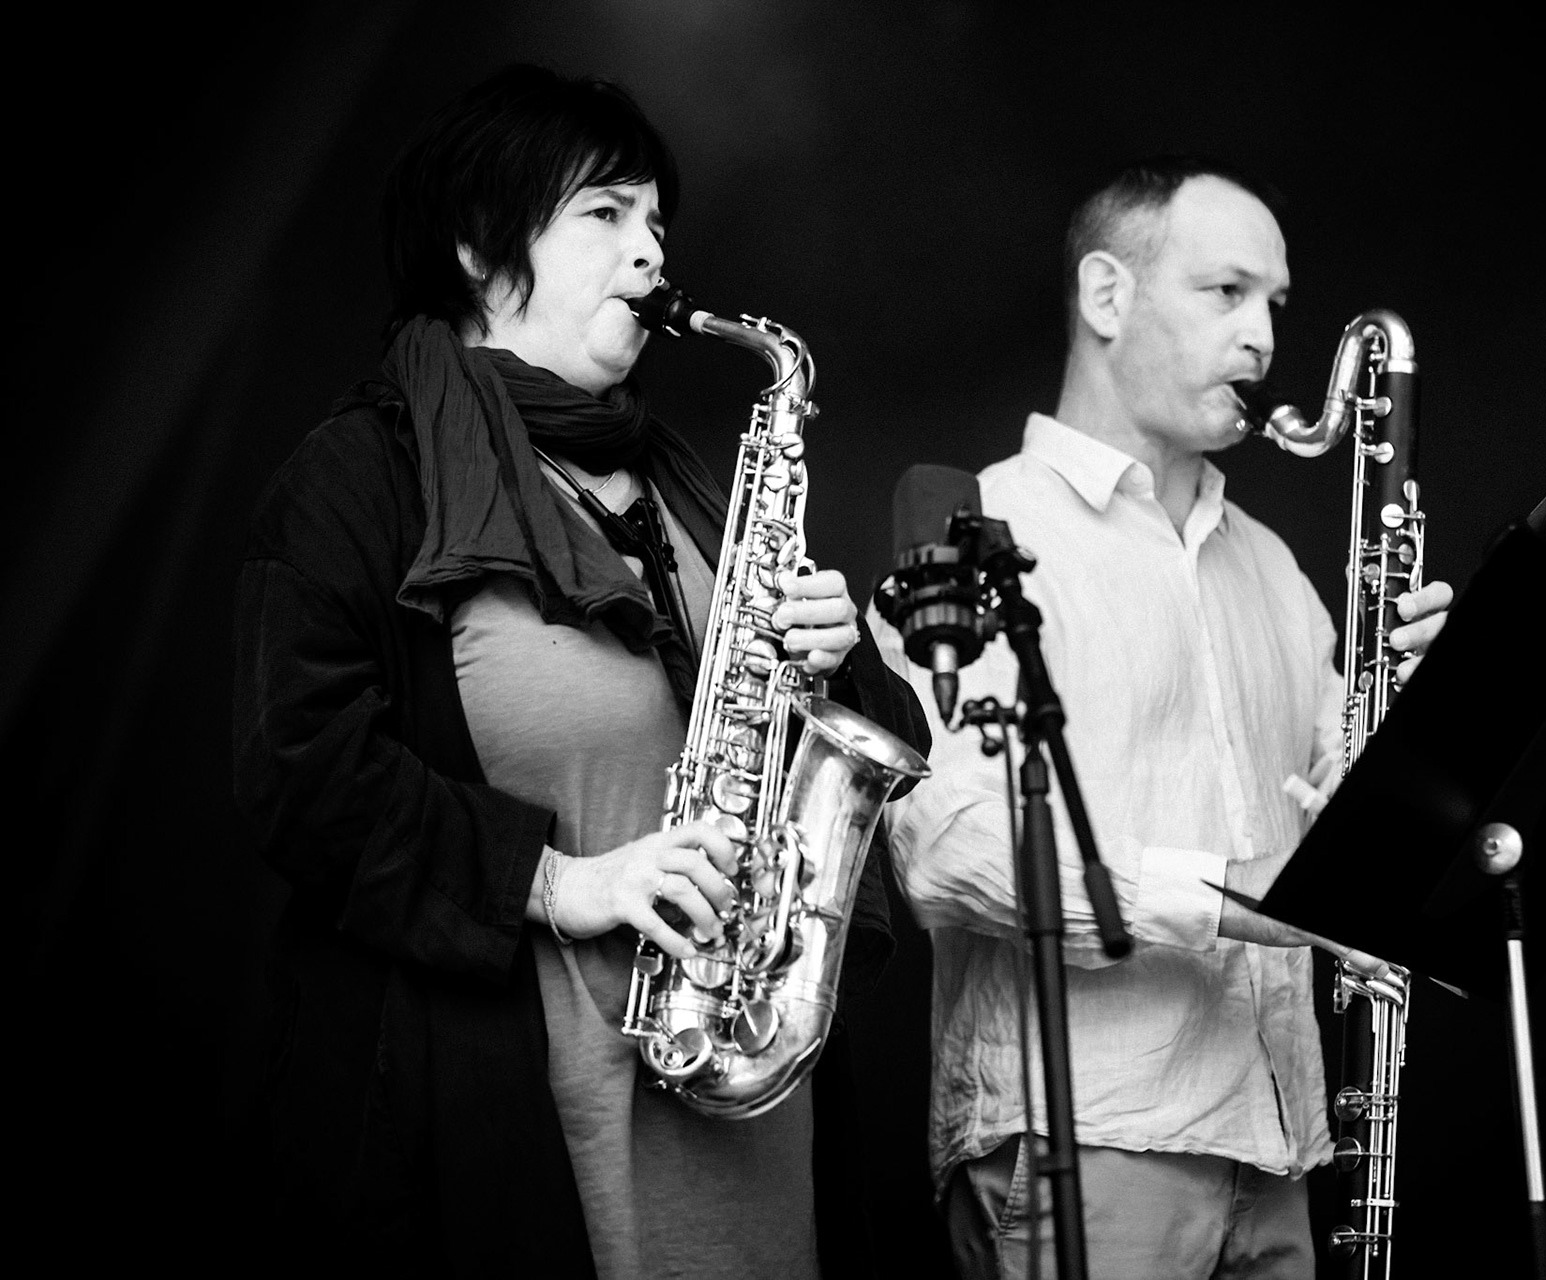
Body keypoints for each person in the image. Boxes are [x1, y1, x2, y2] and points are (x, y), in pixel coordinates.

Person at [232, 65, 928, 1277]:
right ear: (478, 250)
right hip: (520, 1121)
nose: (651, 254)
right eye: (604, 215)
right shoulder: (358, 482)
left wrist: (838, 656)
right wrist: (561, 880)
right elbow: (302, 778)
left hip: (745, 1097)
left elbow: (851, 762)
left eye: (657, 222)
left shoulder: (686, 486)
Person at [871, 157, 1452, 1279]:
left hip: (1279, 1150)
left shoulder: (1278, 571)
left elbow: (1349, 836)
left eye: (1275, 303)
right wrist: (1238, 898)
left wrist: (1416, 734)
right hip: (1085, 1136)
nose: (1266, 341)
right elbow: (944, 845)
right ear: (1106, 296)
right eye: (1226, 292)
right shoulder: (978, 524)